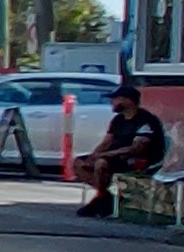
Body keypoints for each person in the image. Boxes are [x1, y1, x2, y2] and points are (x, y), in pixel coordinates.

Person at [72, 80, 168, 217]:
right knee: (80, 164)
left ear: (128, 101)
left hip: (137, 160)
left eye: (115, 99)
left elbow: (137, 149)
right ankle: (106, 197)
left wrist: (107, 155)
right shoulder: (118, 120)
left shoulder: (146, 121)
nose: (112, 102)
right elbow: (107, 141)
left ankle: (101, 199)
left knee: (101, 164)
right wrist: (94, 155)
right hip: (115, 157)